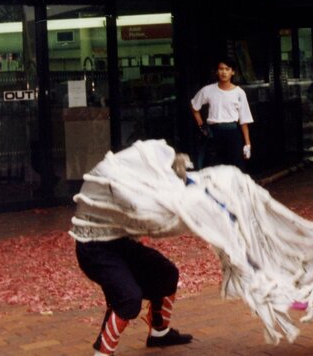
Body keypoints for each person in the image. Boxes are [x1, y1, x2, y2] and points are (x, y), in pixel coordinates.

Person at [70, 150, 194, 355]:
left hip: (119, 242)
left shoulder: (139, 173)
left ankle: (159, 333)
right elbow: (150, 219)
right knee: (128, 297)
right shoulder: (121, 184)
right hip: (94, 248)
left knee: (167, 273)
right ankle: (102, 352)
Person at [190, 57, 253, 170]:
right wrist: (201, 124)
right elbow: (194, 105)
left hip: (232, 133)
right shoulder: (208, 90)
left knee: (236, 170)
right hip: (214, 134)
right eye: (221, 69)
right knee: (214, 169)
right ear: (217, 71)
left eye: (227, 69)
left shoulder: (239, 93)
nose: (224, 72)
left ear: (232, 72)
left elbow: (244, 120)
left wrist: (247, 144)